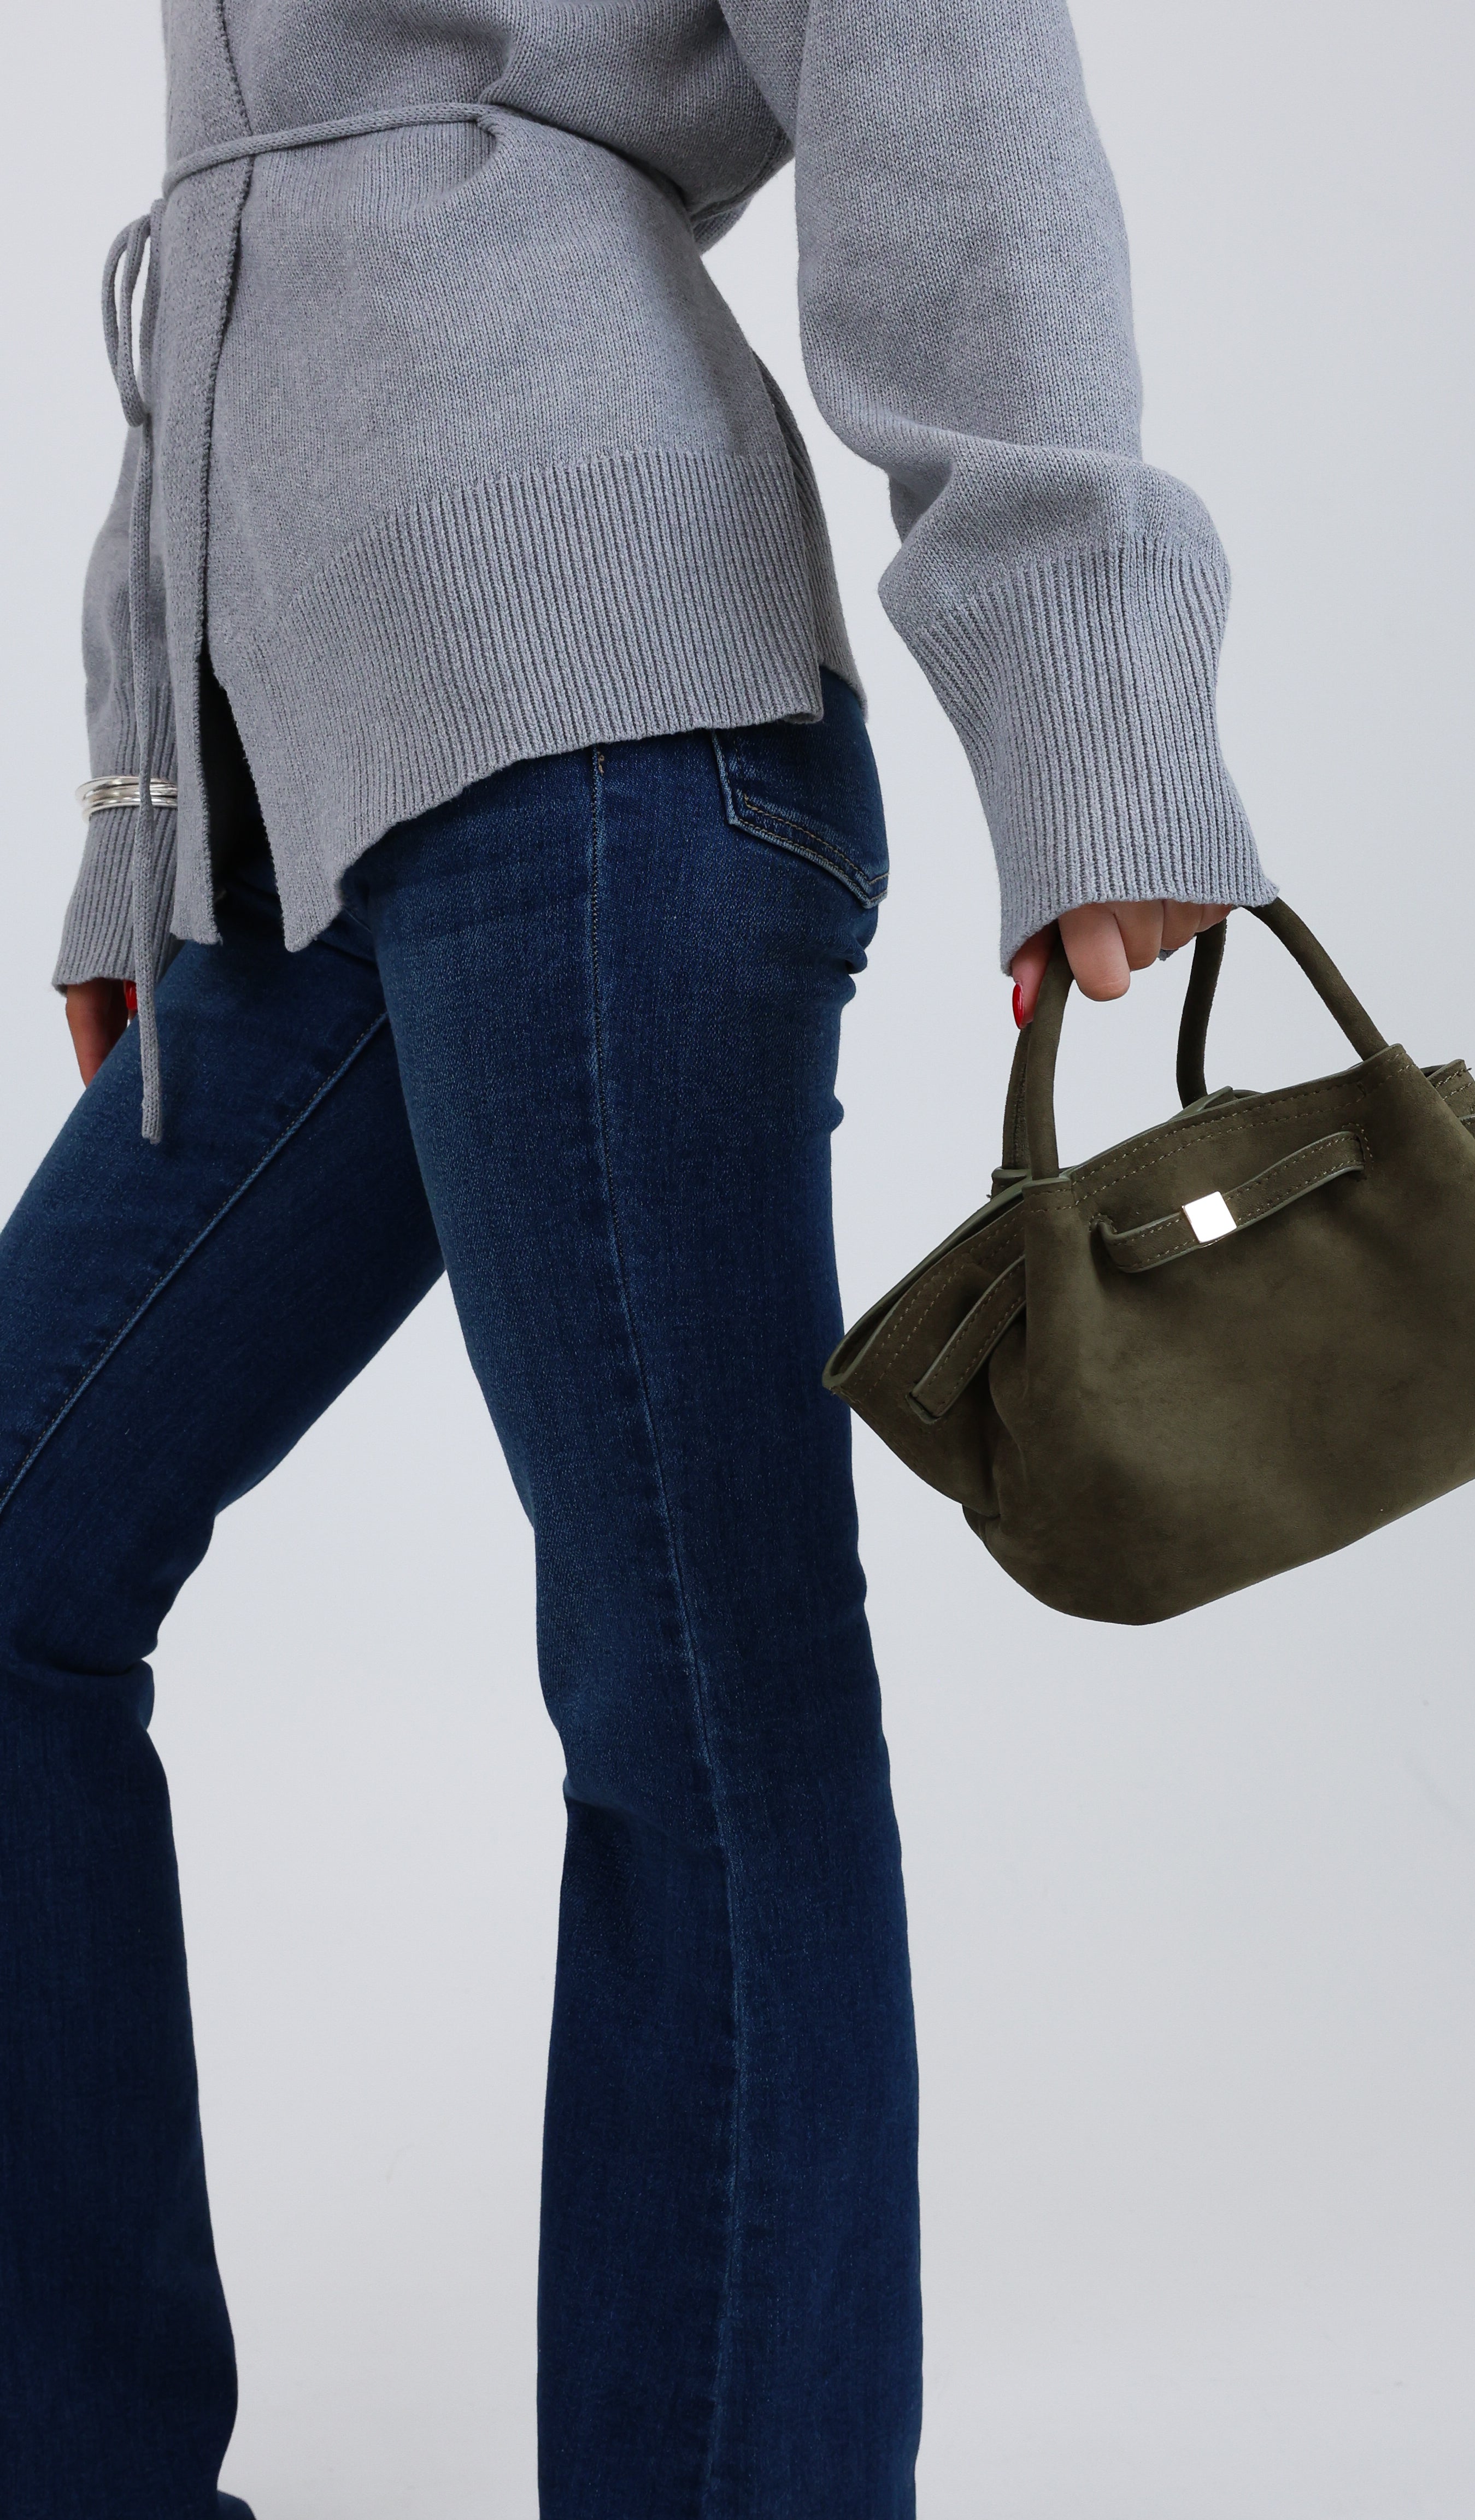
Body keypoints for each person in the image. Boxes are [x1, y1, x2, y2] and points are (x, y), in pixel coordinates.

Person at [0, 3, 1266, 2514]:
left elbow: (941, 67)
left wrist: (1081, 681)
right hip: (319, 798)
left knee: (697, 1692)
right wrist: (152, 812)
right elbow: (241, 242)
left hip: (612, 707)